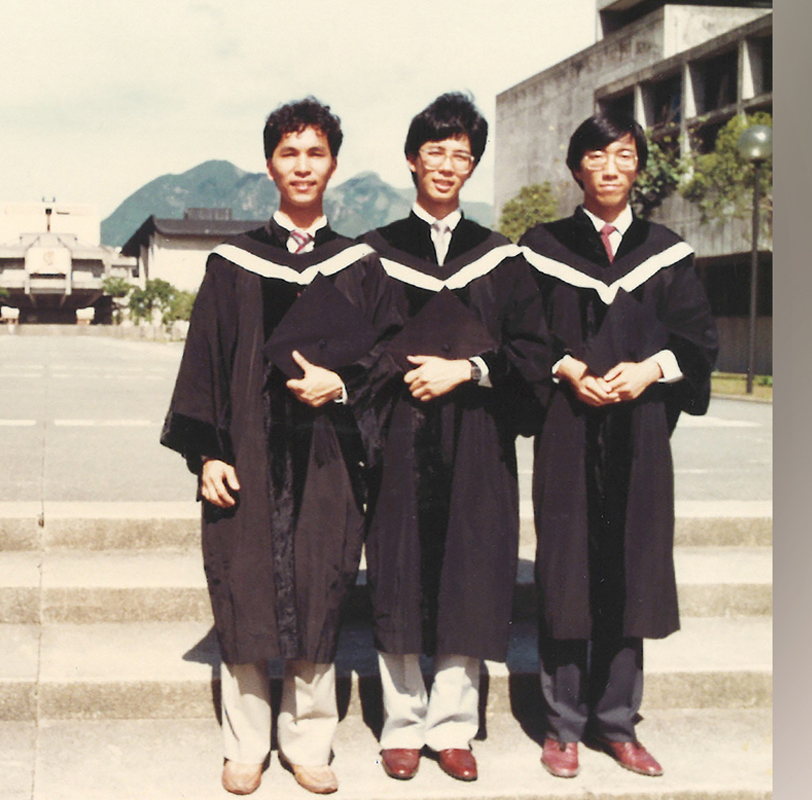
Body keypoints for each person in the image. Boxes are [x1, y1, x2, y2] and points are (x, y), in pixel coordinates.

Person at [160, 97, 382, 796]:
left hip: (327, 460)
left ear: (334, 165)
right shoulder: (232, 264)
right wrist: (208, 453)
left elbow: (383, 363)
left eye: (315, 153)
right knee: (248, 588)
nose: (303, 165)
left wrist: (341, 388)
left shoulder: (360, 265)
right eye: (290, 152)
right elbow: (205, 363)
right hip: (250, 456)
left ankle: (308, 743)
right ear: (270, 165)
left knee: (320, 587)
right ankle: (247, 745)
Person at [358, 92, 551, 783]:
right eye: (435, 151)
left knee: (469, 576)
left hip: (475, 443)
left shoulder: (500, 259)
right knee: (401, 574)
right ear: (412, 159)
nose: (447, 164)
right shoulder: (373, 255)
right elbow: (350, 352)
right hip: (399, 443)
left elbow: (534, 353)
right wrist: (402, 373)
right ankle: (402, 724)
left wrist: (466, 369)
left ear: (472, 167)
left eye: (461, 155)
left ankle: (453, 727)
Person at [519, 112, 719, 779]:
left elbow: (696, 340)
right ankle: (562, 726)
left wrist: (649, 369)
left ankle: (618, 723)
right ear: (577, 169)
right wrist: (568, 369)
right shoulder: (541, 248)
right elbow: (523, 334)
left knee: (630, 570)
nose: (610, 167)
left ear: (638, 168)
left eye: (624, 155)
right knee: (567, 570)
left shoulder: (667, 252)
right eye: (597, 156)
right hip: (567, 431)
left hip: (638, 437)